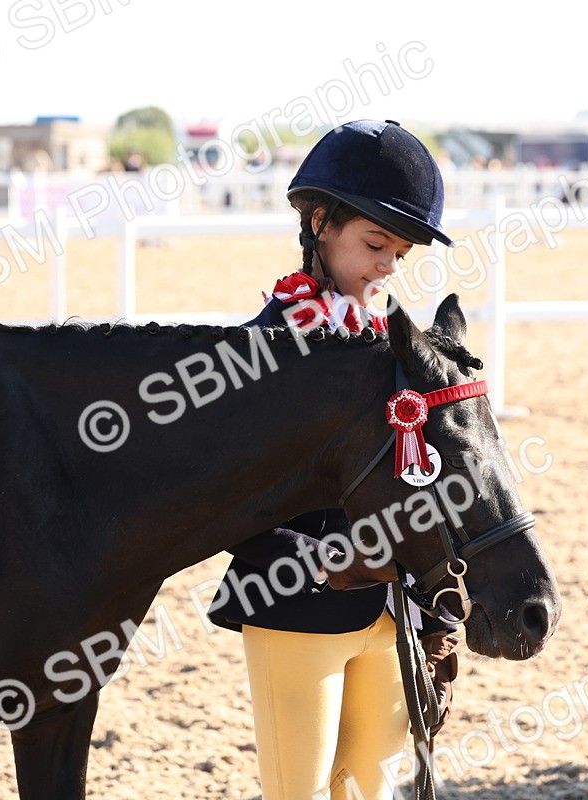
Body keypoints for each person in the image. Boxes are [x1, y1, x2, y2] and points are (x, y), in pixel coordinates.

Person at [207, 119, 460, 800]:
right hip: (294, 608)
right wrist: (320, 560)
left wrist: (438, 604)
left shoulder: (391, 348)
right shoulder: (260, 354)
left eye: (399, 254)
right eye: (375, 244)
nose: (386, 266)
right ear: (320, 223)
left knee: (371, 786)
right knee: (302, 791)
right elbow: (223, 500)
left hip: (391, 610)